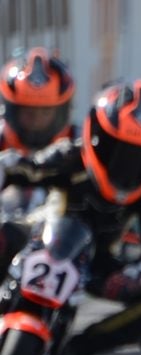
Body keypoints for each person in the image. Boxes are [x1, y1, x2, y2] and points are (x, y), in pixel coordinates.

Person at [0, 80, 141, 355]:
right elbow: (18, 166)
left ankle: (76, 348)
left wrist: (138, 274)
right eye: (119, 151)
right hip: (41, 236)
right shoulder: (70, 156)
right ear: (96, 136)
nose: (129, 167)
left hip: (97, 262)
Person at [0, 48, 78, 268]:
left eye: (45, 113)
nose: (36, 121)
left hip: (61, 244)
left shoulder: (80, 143)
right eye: (28, 112)